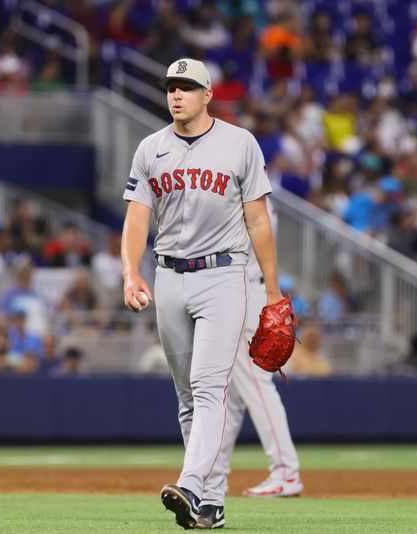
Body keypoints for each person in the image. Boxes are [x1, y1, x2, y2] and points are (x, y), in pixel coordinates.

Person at [121, 58, 281, 530]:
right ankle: (209, 505)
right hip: (169, 277)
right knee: (187, 397)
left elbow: (257, 219)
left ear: (207, 95)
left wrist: (272, 290)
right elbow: (135, 219)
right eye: (172, 86)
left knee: (209, 387)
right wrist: (132, 273)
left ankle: (190, 484)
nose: (177, 94)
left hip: (223, 276)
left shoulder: (239, 143)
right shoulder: (151, 149)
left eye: (187, 87)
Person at [206, 199, 304, 503]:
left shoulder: (243, 185)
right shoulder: (257, 186)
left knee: (255, 382)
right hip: (249, 285)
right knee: (233, 393)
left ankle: (286, 471)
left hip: (246, 288)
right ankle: (213, 475)